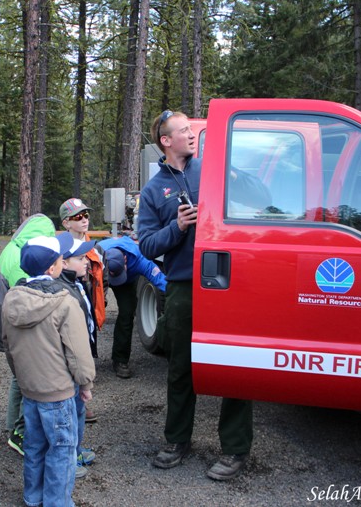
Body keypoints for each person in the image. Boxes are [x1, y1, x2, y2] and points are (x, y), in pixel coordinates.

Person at [138, 109, 253, 481]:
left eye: (191, 129)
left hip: (228, 283)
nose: (191, 134)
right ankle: (177, 440)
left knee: (234, 365)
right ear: (165, 141)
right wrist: (177, 227)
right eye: (184, 130)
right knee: (181, 367)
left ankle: (235, 448)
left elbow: (257, 202)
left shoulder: (215, 170)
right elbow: (146, 244)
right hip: (185, 286)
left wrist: (240, 177)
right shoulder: (155, 190)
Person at [2, 235, 95, 507]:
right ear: (54, 267)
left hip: (30, 389)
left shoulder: (11, 299)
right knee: (62, 449)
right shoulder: (65, 303)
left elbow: (8, 345)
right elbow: (78, 352)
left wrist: (21, 375)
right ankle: (57, 502)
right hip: (59, 393)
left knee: (34, 446)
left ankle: (33, 497)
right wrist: (86, 384)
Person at [0, 213, 56, 456]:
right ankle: (20, 432)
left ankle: (13, 428)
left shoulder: (11, 249)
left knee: (19, 379)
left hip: (6, 328)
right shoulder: (21, 259)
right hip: (16, 332)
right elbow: (27, 303)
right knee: (26, 379)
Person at [56, 234, 101, 479]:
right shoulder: (64, 291)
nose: (87, 262)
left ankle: (75, 450)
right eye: (81, 258)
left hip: (77, 364)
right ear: (62, 262)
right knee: (69, 415)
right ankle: (68, 458)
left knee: (78, 411)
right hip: (68, 370)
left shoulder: (76, 283)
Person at [59, 198, 106, 424]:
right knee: (73, 350)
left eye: (86, 215)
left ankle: (82, 397)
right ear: (66, 223)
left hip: (89, 302)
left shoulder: (93, 246)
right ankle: (78, 403)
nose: (85, 219)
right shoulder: (61, 247)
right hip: (72, 301)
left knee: (87, 346)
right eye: (78, 216)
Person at [97, 235, 167, 379]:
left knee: (127, 313)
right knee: (88, 314)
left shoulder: (140, 258)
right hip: (99, 277)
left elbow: (159, 279)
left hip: (127, 280)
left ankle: (120, 360)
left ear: (125, 261)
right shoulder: (96, 254)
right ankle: (84, 364)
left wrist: (176, 293)